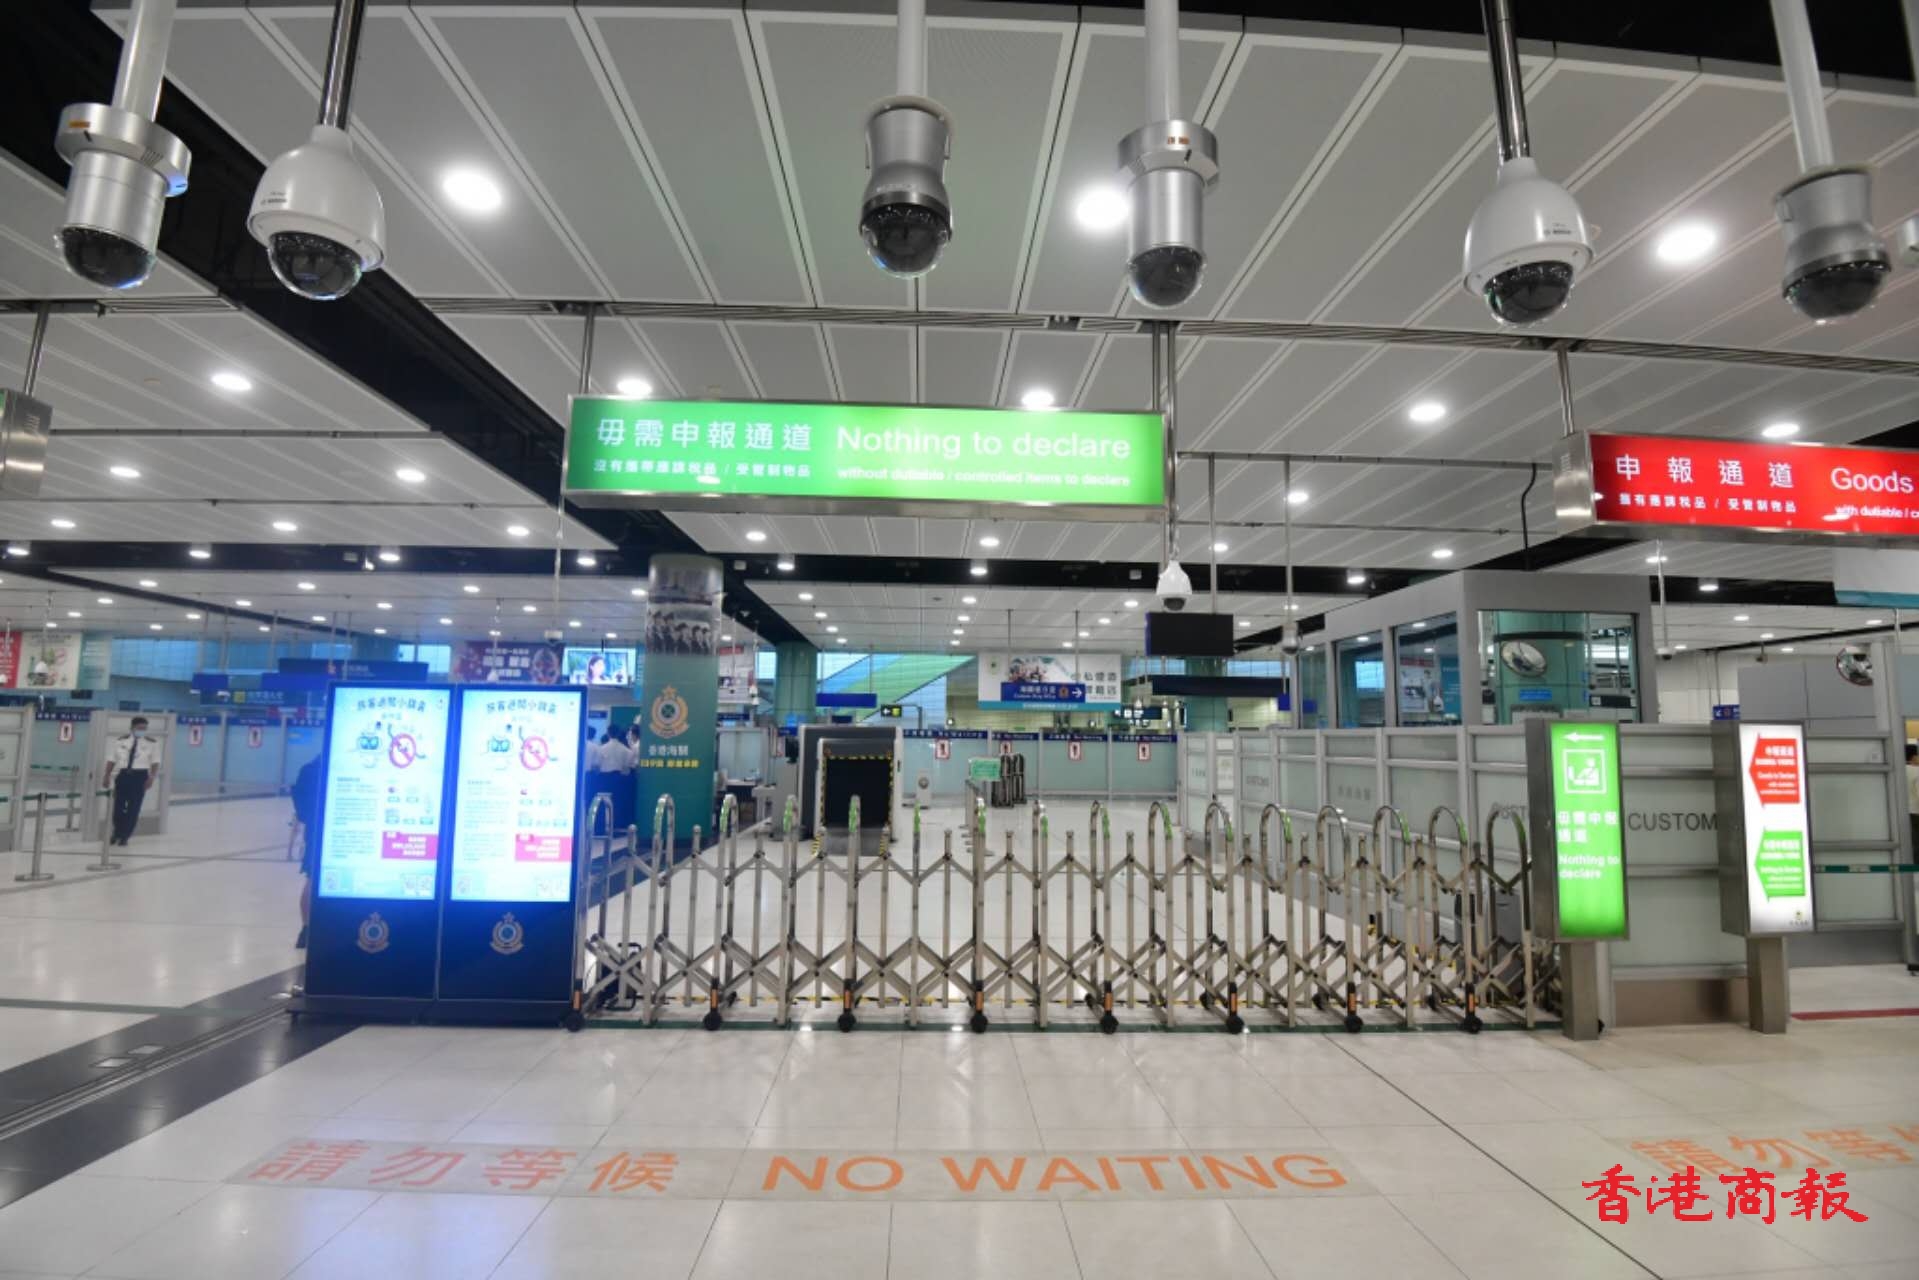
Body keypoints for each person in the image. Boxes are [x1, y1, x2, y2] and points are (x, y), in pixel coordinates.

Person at [102, 716, 162, 847]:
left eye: (144, 728)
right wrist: (106, 775)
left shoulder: (152, 743)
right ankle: (117, 832)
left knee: (133, 809)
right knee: (118, 808)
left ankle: (125, 836)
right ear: (132, 728)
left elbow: (155, 762)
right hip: (123, 776)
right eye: (139, 728)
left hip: (140, 777)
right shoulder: (120, 741)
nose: (142, 731)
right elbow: (111, 759)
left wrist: (151, 777)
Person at [291, 754, 322, 949]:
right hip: (330, 832)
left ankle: (306, 928)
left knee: (312, 878)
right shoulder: (320, 769)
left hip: (315, 832)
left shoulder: (308, 769)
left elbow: (301, 810)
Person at [1906, 743, 1917, 861]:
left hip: (1900, 811)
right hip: (1915, 812)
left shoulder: (1898, 770)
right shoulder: (1916, 771)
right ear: (1914, 756)